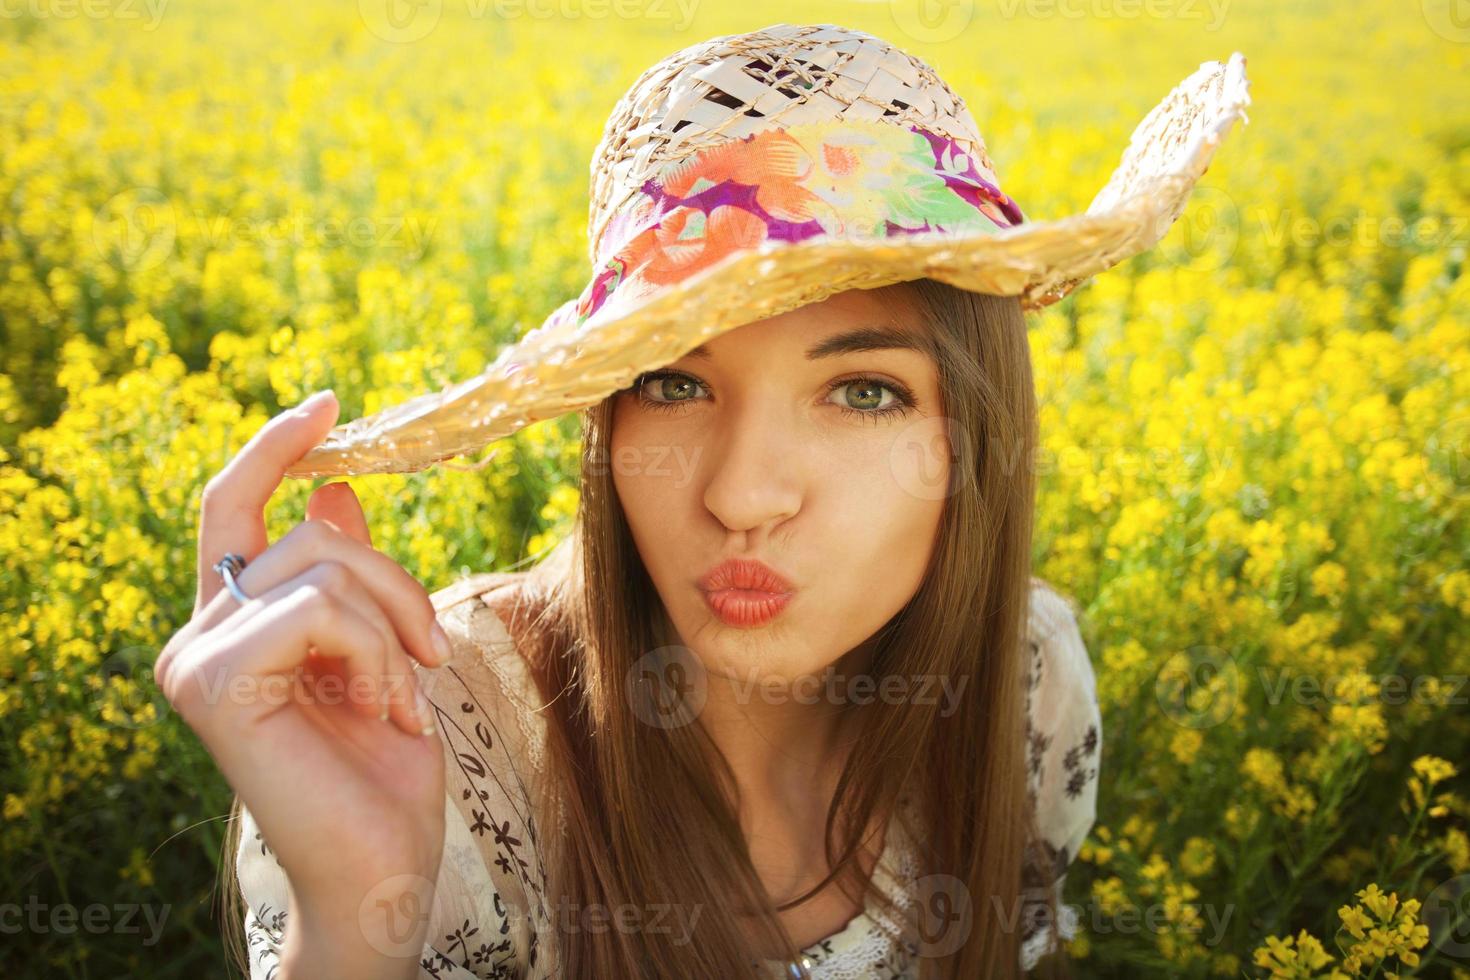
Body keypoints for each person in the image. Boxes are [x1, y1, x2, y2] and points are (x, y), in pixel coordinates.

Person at [157, 21, 1249, 980]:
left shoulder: (1026, 681)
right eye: (673, 381)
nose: (740, 495)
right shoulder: (427, 735)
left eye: (864, 392)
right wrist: (355, 923)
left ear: (974, 435)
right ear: (606, 422)